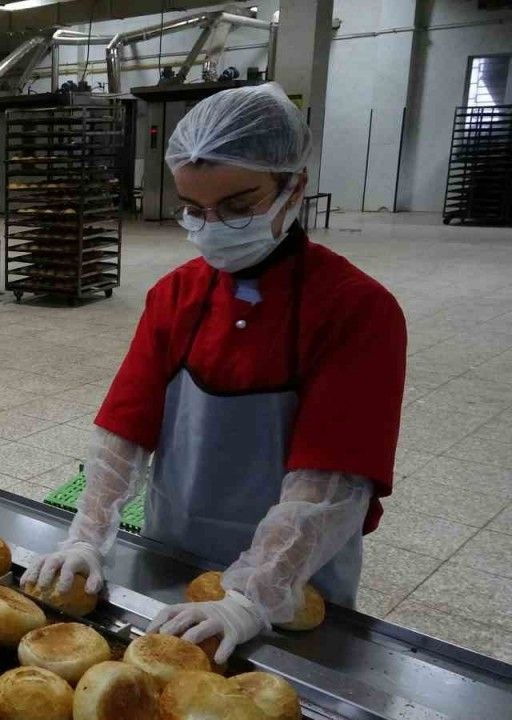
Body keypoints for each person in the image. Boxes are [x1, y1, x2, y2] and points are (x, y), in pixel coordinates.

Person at [23, 83, 406, 664]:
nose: (212, 227)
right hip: (174, 558)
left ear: (294, 186)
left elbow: (330, 485)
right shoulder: (176, 295)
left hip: (291, 586)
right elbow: (123, 435)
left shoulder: (356, 310)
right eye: (194, 209)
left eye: (238, 206)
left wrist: (252, 597)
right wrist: (87, 538)